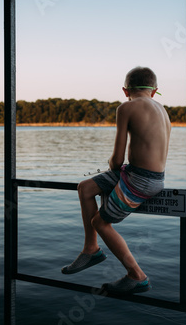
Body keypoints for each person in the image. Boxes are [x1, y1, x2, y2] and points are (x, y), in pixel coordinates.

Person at [61, 66, 171, 295]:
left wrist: (113, 166)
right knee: (86, 188)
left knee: (99, 222)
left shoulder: (126, 107)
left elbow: (117, 159)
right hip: (145, 174)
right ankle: (91, 249)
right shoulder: (162, 109)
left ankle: (137, 276)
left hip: (141, 180)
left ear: (125, 90)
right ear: (154, 91)